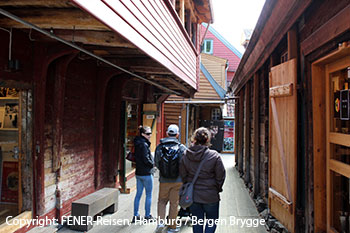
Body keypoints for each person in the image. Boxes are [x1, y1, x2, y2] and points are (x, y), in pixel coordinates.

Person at [179, 127, 226, 233]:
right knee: (212, 221)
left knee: (197, 222)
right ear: (208, 140)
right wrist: (217, 188)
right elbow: (221, 176)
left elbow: (183, 174)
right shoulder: (214, 156)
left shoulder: (186, 155)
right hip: (210, 195)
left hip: (193, 195)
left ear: (194, 139)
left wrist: (188, 185)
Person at [154, 124, 186, 233]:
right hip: (178, 180)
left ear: (167, 133)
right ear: (177, 135)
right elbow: (184, 164)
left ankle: (160, 223)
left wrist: (163, 171)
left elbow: (157, 163)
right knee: (174, 203)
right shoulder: (181, 148)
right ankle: (172, 227)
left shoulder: (159, 147)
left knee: (162, 201)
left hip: (164, 180)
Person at [132, 125, 155, 223]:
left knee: (138, 194)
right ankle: (147, 215)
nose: (150, 135)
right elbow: (146, 159)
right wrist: (152, 165)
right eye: (148, 134)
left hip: (138, 173)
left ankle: (135, 215)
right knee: (149, 195)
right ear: (142, 134)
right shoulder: (144, 145)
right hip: (146, 173)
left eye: (150, 133)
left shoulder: (137, 143)